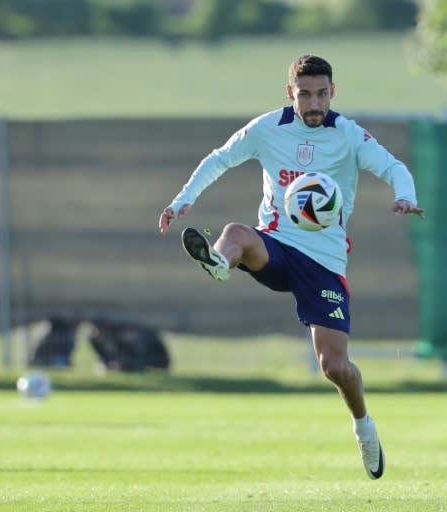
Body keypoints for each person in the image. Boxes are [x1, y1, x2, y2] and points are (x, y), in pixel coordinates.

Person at [158, 54, 424, 479]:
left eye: (321, 94)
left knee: (335, 367)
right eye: (305, 94)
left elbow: (394, 166)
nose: (314, 103)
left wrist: (403, 195)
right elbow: (220, 157)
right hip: (276, 246)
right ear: (290, 94)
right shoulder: (267, 129)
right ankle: (219, 263)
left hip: (324, 261)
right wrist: (182, 199)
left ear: (332, 93)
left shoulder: (349, 135)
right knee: (237, 233)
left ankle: (364, 427)